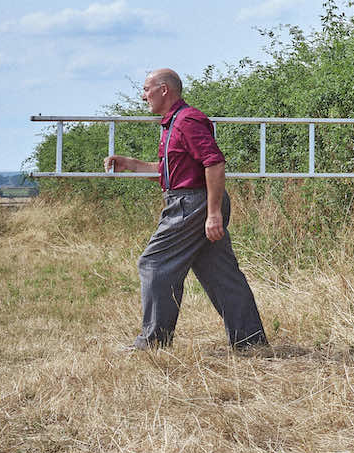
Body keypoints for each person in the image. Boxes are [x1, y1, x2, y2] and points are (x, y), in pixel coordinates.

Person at [104, 68, 269, 351]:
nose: (143, 96)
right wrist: (130, 163)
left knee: (154, 264)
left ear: (164, 90)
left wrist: (213, 213)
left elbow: (214, 162)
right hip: (192, 200)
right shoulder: (173, 124)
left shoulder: (187, 121)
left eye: (146, 89)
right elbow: (172, 169)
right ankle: (250, 341)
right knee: (219, 273)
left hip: (191, 204)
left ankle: (153, 342)